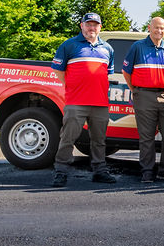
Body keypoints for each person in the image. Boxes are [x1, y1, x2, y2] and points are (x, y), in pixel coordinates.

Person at [50, 13, 116, 187]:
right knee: (68, 138)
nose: (91, 28)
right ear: (81, 26)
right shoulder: (69, 45)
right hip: (76, 102)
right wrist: (72, 85)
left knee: (99, 140)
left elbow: (106, 74)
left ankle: (100, 171)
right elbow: (59, 71)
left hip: (100, 103)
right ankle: (61, 171)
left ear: (100, 27)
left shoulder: (107, 49)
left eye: (95, 25)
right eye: (88, 24)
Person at [122, 17, 164, 183]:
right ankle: (147, 171)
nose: (159, 31)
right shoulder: (137, 47)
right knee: (147, 137)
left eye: (162, 28)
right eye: (156, 28)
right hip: (144, 95)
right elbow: (126, 71)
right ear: (149, 28)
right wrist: (135, 90)